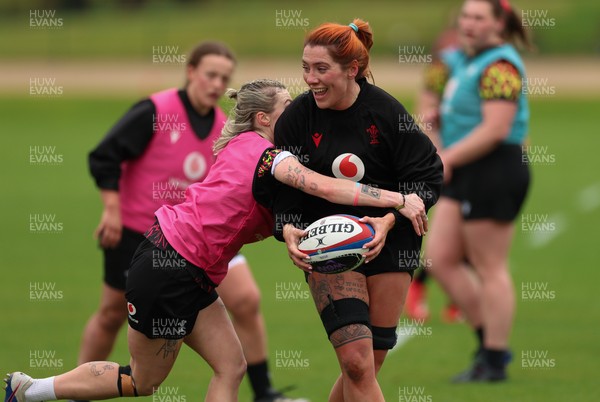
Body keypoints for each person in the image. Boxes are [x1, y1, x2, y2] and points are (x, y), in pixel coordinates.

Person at [4, 79, 422, 402]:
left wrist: (293, 230)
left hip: (188, 269)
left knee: (230, 366)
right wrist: (399, 199)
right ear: (262, 119)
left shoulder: (248, 148)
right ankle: (30, 390)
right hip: (171, 265)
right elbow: (325, 188)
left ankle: (26, 390)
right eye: (289, 109)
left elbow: (269, 209)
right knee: (142, 379)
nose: (299, 115)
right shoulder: (270, 155)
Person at [80, 42, 301, 401]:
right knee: (111, 317)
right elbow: (104, 155)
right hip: (142, 230)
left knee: (244, 300)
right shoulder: (156, 108)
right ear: (191, 72)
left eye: (224, 78)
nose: (216, 84)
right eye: (210, 74)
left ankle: (265, 392)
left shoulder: (226, 129)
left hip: (202, 234)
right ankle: (73, 392)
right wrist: (111, 208)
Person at [274, 20, 443, 401]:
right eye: (305, 68)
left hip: (392, 241)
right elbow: (282, 189)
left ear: (351, 69)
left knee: (370, 361)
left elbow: (428, 176)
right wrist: (287, 228)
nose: (311, 79)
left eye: (321, 69)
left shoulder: (385, 112)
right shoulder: (297, 120)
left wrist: (385, 220)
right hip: (326, 245)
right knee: (355, 362)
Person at [423, 0, 532, 382]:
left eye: (478, 18)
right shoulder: (460, 60)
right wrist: (437, 129)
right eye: (465, 16)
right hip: (464, 168)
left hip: (495, 169)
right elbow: (429, 102)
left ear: (499, 23)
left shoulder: (500, 66)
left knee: (490, 268)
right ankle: (489, 343)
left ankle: (495, 358)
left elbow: (496, 129)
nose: (468, 23)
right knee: (439, 259)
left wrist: (446, 155)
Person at [405, 25, 463, 323]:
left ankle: (456, 296)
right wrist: (440, 155)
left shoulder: (486, 65)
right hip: (452, 158)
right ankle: (419, 285)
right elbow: (425, 111)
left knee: (469, 234)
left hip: (479, 160)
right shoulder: (442, 69)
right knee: (449, 232)